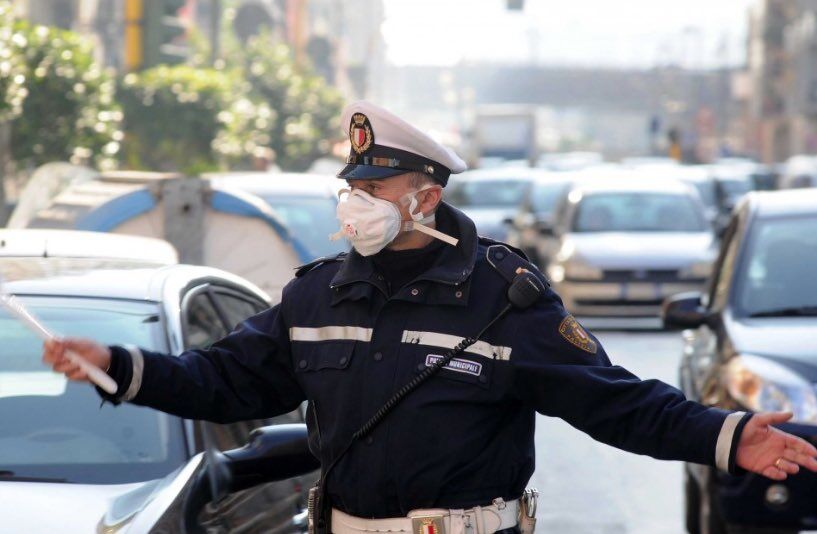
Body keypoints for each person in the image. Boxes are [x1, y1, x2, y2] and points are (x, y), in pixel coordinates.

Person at [43, 101, 817, 534]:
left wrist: (723, 436)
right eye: (350, 190)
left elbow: (608, 400)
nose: (355, 206)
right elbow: (224, 383)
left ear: (425, 196)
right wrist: (117, 367)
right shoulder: (317, 295)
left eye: (374, 192)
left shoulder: (501, 295)